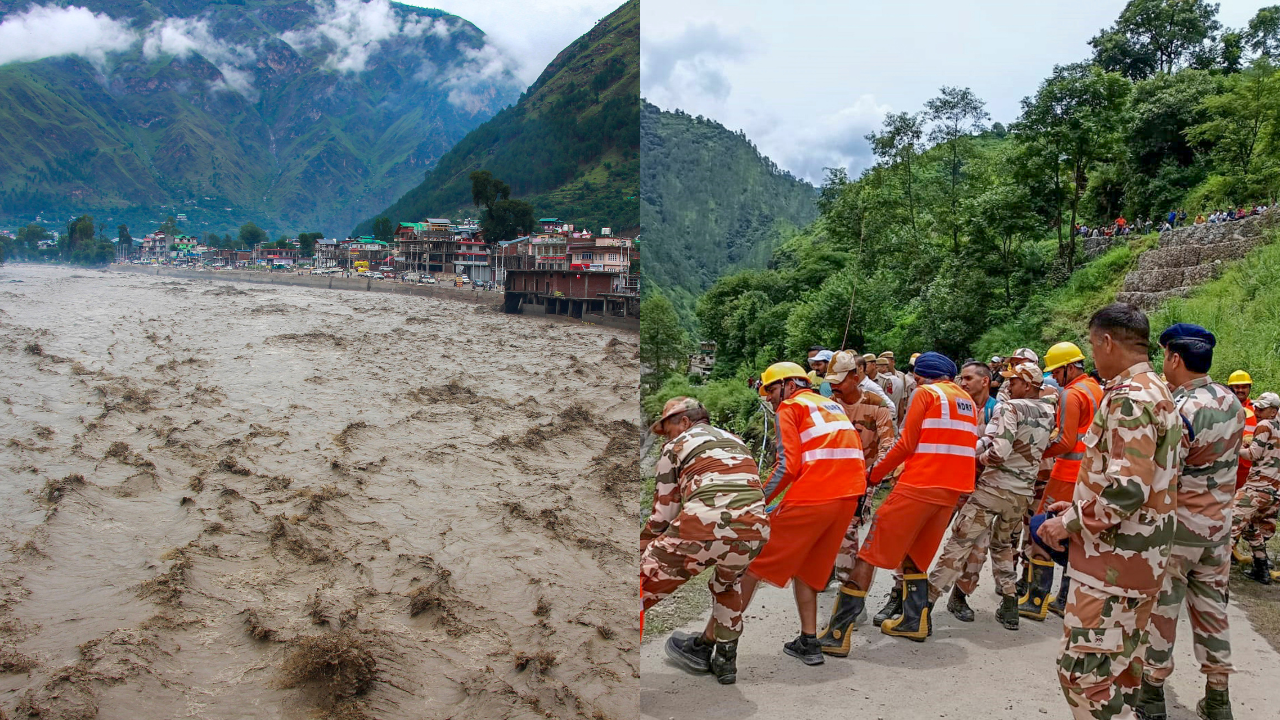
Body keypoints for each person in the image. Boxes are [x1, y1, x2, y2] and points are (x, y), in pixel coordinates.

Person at [1036, 303, 1180, 720]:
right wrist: (1079, 504)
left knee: (1081, 675)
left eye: (1093, 345)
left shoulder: (1130, 398)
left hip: (1114, 563)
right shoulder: (1158, 389)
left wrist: (1068, 523)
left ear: (1106, 341)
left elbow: (1126, 490)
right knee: (1119, 671)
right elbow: (1143, 482)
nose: (1093, 355)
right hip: (1140, 558)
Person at [817, 352, 977, 646]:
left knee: (869, 554)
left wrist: (874, 475)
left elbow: (906, 443)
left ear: (920, 375)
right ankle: (912, 621)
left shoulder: (927, 393)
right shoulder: (968, 402)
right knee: (915, 557)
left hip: (919, 485)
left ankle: (836, 634)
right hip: (951, 492)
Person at [1134, 325, 1245, 720]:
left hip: (1179, 528)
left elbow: (1165, 474)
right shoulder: (1232, 402)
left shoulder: (1180, 409)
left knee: (1164, 608)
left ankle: (1151, 693)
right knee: (1213, 610)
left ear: (1174, 358)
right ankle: (1218, 699)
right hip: (1218, 530)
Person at [641, 397, 770, 685]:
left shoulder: (676, 445)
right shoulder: (736, 441)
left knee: (638, 585)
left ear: (685, 421)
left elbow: (663, 515)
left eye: (668, 428)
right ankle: (725, 662)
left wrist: (641, 547)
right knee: (727, 585)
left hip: (703, 525)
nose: (667, 436)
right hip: (756, 529)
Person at [746, 362, 866, 666]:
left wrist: (755, 500)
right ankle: (809, 641)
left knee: (752, 563)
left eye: (772, 390)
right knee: (810, 571)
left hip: (817, 493)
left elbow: (786, 466)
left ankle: (712, 640)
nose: (771, 398)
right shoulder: (830, 405)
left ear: (788, 385)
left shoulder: (790, 407)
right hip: (848, 496)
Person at [927, 362, 1056, 631]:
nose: (1008, 384)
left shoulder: (1011, 407)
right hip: (1021, 494)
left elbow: (999, 451)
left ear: (1028, 385)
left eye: (1015, 381)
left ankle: (924, 605)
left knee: (959, 542)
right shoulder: (1048, 410)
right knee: (1003, 546)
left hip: (994, 488)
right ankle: (1010, 606)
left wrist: (974, 457)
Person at [819, 351, 897, 655]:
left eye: (840, 381)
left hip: (860, 481)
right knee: (829, 535)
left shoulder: (876, 406)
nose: (835, 387)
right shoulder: (828, 405)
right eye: (832, 382)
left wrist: (872, 477)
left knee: (847, 535)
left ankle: (852, 600)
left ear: (856, 376)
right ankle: (831, 578)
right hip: (829, 479)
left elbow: (887, 447)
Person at [1022, 341, 1104, 620]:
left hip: (1066, 473)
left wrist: (1038, 452)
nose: (1054, 378)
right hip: (1090, 476)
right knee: (1076, 537)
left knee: (1042, 530)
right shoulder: (1096, 389)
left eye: (1057, 372)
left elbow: (1066, 440)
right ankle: (1063, 600)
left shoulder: (1072, 394)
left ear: (1070, 368)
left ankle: (1035, 600)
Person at [1230, 391, 1280, 584]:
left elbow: (1253, 454)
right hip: (1274, 492)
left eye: (1262, 408)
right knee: (1252, 527)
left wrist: (1234, 449)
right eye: (1257, 407)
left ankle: (1212, 571)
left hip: (1257, 488)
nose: (1257, 410)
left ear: (1273, 411)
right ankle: (1262, 570)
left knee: (1229, 526)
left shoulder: (1264, 425)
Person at [1227, 370, 1256, 496]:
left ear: (1249, 388)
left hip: (1250, 466)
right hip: (1227, 464)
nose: (1240, 390)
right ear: (1230, 388)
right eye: (1237, 387)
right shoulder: (1223, 407)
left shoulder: (1257, 409)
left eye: (1244, 387)